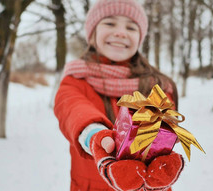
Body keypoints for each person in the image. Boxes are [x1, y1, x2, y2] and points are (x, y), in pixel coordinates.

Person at [54, 0, 184, 190]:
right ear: (92, 34)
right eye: (110, 23)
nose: (121, 32)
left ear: (139, 38)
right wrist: (95, 136)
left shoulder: (157, 85)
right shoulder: (76, 80)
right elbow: (72, 109)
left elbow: (163, 121)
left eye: (131, 27)